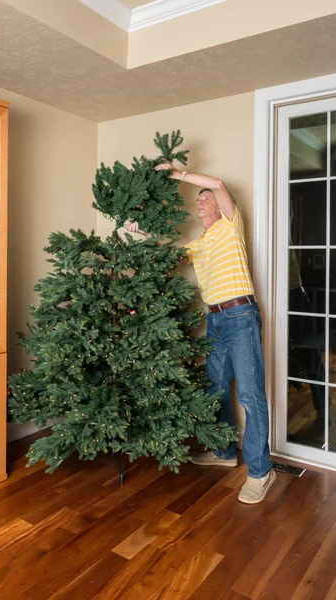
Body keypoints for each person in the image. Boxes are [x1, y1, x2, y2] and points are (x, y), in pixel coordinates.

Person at [126, 164, 275, 504]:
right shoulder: (200, 244)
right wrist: (140, 232)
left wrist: (178, 174)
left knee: (250, 395)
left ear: (221, 206)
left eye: (207, 198)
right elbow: (167, 252)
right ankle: (223, 452)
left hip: (240, 315)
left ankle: (260, 471)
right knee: (216, 390)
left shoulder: (231, 226)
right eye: (200, 199)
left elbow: (219, 183)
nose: (202, 201)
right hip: (216, 321)